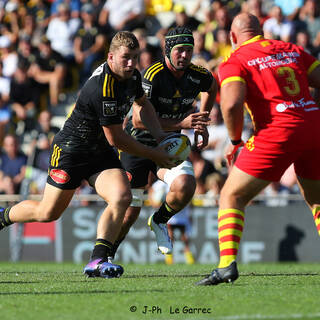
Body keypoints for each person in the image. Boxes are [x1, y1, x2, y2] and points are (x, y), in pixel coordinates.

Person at [0, 31, 174, 279]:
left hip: (99, 152)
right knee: (47, 213)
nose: (131, 63)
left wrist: (159, 136)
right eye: (126, 57)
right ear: (111, 56)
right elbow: (117, 138)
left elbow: (143, 104)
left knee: (122, 196)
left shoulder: (132, 76)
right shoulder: (102, 87)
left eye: (134, 57)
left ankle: (98, 261)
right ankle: (3, 216)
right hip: (71, 150)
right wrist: (154, 153)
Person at [196, 13, 320, 286]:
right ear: (261, 31)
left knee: (231, 195)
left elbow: (230, 105)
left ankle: (226, 265)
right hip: (314, 125)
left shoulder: (235, 59)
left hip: (278, 130)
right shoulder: (291, 49)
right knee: (317, 200)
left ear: (231, 37)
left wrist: (236, 140)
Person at [109, 27, 217, 260]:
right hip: (137, 145)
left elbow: (212, 86)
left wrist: (202, 121)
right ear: (168, 50)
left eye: (189, 50)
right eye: (180, 50)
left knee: (187, 185)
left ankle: (159, 220)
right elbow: (138, 121)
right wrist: (183, 121)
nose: (185, 56)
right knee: (129, 213)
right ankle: (106, 255)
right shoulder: (153, 74)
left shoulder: (198, 74)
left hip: (168, 144)